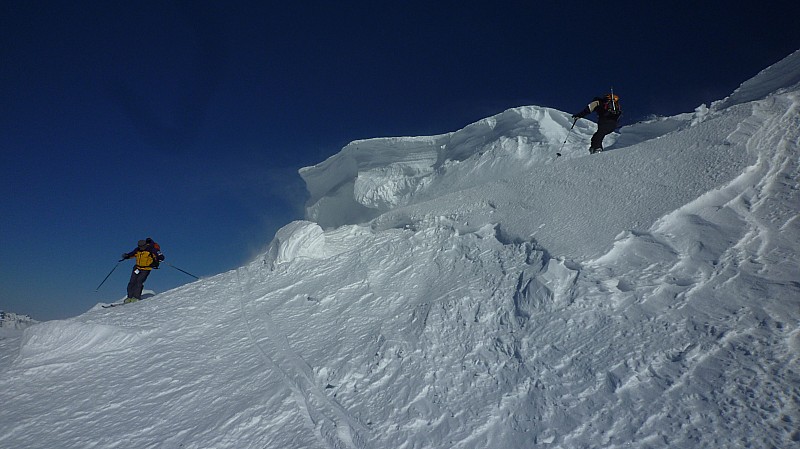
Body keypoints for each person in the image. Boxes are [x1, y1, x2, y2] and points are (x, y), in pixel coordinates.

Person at [121, 238, 164, 303]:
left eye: (142, 247)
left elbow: (161, 256)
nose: (141, 248)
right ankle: (129, 297)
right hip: (137, 268)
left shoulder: (152, 249)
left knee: (139, 282)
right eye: (140, 247)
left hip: (146, 269)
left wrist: (157, 261)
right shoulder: (138, 250)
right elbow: (132, 254)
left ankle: (136, 297)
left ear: (145, 245)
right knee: (132, 282)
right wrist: (126, 256)